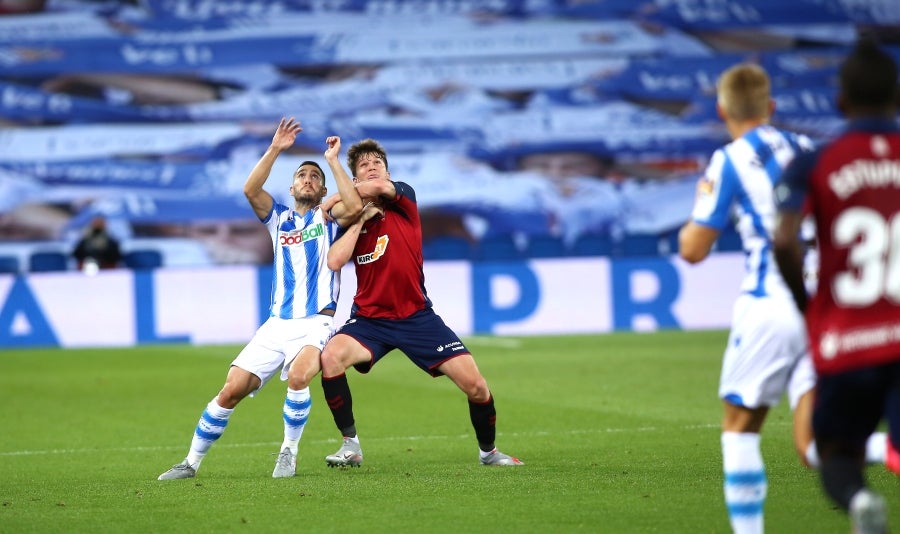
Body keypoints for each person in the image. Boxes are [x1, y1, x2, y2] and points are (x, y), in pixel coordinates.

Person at [677, 62, 889, 534]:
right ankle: (884, 451)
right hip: (826, 306)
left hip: (772, 300)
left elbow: (693, 250)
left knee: (739, 428)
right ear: (771, 108)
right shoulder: (808, 150)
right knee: (815, 446)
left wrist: (698, 209)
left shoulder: (728, 159)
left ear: (721, 109)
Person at [157, 117, 362, 480]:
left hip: (316, 321)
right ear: (292, 185)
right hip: (275, 325)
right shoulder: (278, 219)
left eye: (315, 177)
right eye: (303, 175)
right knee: (231, 389)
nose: (308, 180)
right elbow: (251, 190)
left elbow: (355, 205)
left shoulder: (330, 219)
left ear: (322, 188)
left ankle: (288, 452)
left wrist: (332, 160)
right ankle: (190, 463)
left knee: (299, 377)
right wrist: (275, 149)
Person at [318, 137, 524, 467]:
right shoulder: (353, 223)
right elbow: (334, 261)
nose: (373, 168)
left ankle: (488, 452)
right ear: (353, 180)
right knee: (330, 358)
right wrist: (356, 219)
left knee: (477, 387)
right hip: (371, 321)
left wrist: (333, 200)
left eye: (378, 163)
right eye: (364, 166)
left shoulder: (404, 199)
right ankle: (350, 445)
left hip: (417, 318)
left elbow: (374, 192)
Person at [772, 38, 900, 534]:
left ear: (840, 101)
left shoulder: (815, 162)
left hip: (847, 337)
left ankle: (859, 500)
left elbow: (784, 240)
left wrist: (809, 305)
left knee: (832, 454)